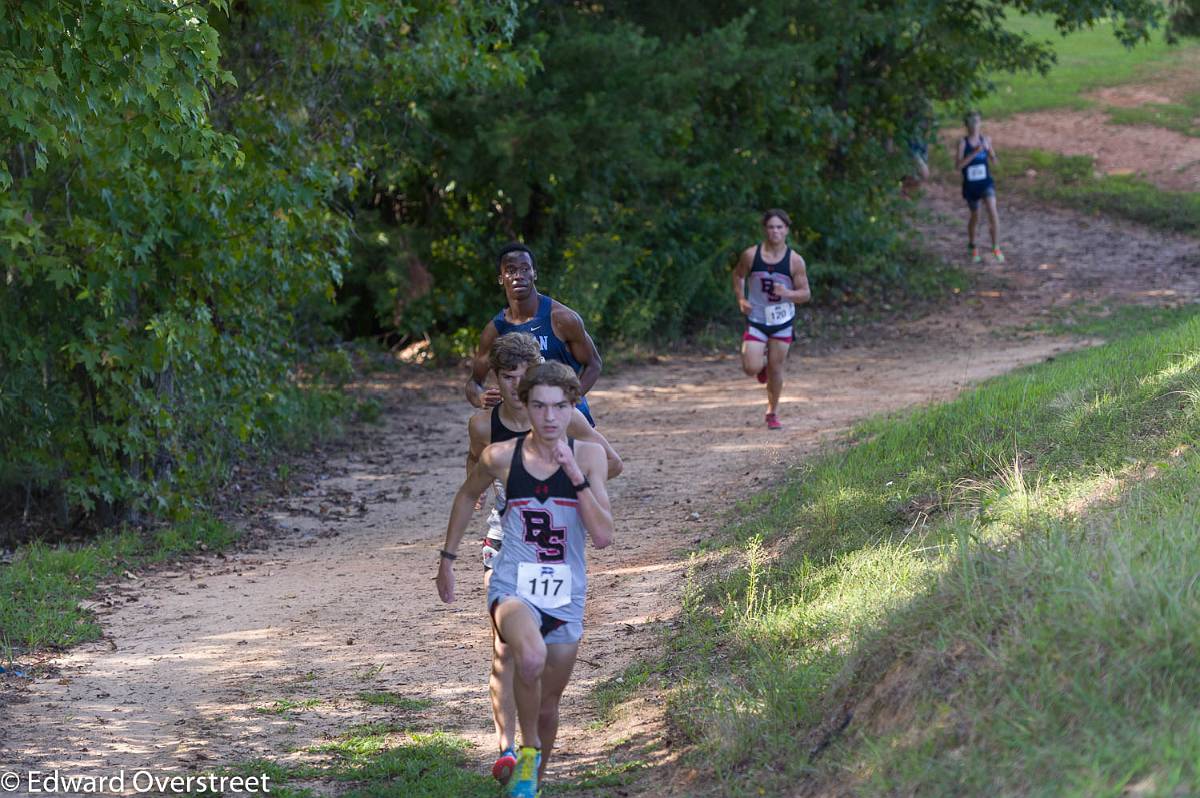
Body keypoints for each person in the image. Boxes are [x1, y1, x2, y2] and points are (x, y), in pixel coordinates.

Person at [437, 361, 613, 798]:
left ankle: (535, 770)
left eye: (559, 407)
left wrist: (575, 476)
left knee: (550, 704)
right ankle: (524, 747)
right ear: (527, 406)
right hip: (512, 582)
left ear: (572, 407)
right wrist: (447, 558)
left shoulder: (589, 456)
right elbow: (466, 494)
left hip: (565, 592)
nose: (549, 417)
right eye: (539, 406)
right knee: (528, 657)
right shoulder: (500, 456)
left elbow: (604, 535)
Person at [466, 243, 602, 425]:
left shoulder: (562, 318)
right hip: (521, 420)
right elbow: (474, 382)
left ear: (534, 274)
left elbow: (594, 364)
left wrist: (570, 401)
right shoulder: (495, 330)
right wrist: (480, 397)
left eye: (525, 269)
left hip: (568, 415)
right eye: (511, 270)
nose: (518, 276)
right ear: (501, 278)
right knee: (481, 432)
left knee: (591, 450)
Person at [731, 209, 812, 430]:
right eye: (771, 227)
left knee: (777, 368)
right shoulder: (751, 255)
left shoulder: (795, 261)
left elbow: (805, 293)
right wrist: (741, 298)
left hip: (782, 321)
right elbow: (737, 275)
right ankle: (761, 364)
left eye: (779, 227)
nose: (775, 231)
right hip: (757, 318)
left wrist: (788, 294)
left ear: (786, 230)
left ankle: (772, 412)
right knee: (750, 367)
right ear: (764, 229)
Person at [956, 111, 1005, 263]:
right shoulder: (963, 143)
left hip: (985, 182)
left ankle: (996, 246)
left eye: (977, 121)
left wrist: (991, 152)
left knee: (992, 210)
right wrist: (975, 153)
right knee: (975, 216)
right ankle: (972, 245)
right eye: (972, 122)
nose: (975, 125)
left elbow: (994, 161)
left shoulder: (985, 140)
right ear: (967, 125)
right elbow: (958, 166)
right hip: (971, 186)